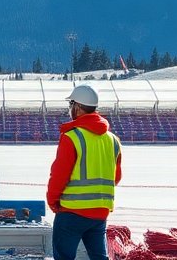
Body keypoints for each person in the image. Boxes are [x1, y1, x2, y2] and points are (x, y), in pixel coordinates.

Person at [45, 85, 121, 260]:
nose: (70, 109)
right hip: (100, 213)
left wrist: (53, 201)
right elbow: (115, 177)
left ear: (78, 107)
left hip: (72, 212)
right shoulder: (113, 140)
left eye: (71, 105)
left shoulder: (72, 137)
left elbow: (59, 175)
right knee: (99, 256)